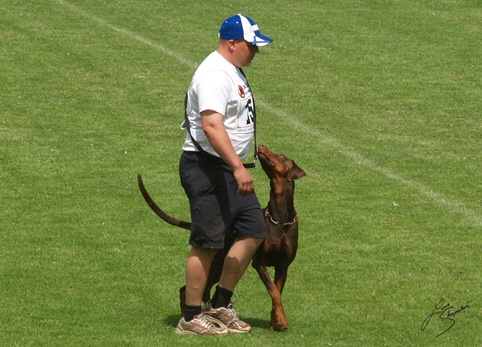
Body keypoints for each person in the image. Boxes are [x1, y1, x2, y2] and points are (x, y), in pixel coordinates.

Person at [175, 14, 273, 335]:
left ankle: (220, 303)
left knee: (253, 230)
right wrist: (236, 166)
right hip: (207, 168)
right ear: (232, 44)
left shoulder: (232, 69)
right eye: (252, 45)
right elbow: (211, 125)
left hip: (227, 168)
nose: (256, 51)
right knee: (207, 242)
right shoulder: (215, 75)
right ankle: (190, 317)